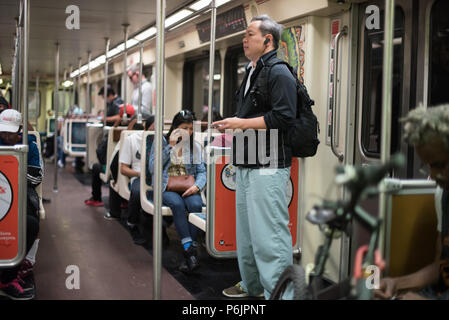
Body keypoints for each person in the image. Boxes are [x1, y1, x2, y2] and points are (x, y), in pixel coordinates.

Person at [213, 15, 297, 299]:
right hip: (248, 159)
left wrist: (239, 123)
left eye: (250, 34)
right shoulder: (251, 72)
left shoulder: (279, 72)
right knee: (248, 235)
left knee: (270, 236)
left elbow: (284, 117)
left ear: (268, 40)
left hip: (269, 162)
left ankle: (281, 294)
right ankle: (253, 285)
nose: (244, 39)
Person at [375, 105, 449, 300]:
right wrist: (396, 283)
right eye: (429, 166)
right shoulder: (443, 194)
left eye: (439, 165)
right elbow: (440, 266)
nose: (433, 176)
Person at [148, 110, 206, 273]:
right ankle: (190, 251)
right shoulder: (161, 142)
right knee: (177, 204)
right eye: (184, 128)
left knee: (196, 204)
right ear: (175, 127)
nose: (188, 132)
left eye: (190, 128)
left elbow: (202, 171)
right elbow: (153, 168)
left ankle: (189, 252)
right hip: (166, 186)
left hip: (188, 185)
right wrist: (171, 147)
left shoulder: (194, 146)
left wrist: (197, 187)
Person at [0, 109, 43, 300]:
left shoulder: (30, 146)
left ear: (19, 129)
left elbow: (36, 177)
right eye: (3, 131)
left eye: (11, 132)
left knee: (30, 222)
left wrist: (12, 169)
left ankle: (8, 277)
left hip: (22, 192)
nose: (6, 136)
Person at [105, 116, 155, 247]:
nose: (156, 133)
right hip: (138, 175)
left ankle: (160, 225)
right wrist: (141, 173)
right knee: (138, 191)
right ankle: (132, 223)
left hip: (159, 177)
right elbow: (123, 169)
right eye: (153, 129)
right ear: (145, 128)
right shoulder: (131, 140)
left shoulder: (164, 141)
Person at [84, 86, 124, 207]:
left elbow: (118, 117)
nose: (104, 99)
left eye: (104, 96)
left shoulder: (118, 104)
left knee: (97, 166)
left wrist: (105, 119)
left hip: (112, 157)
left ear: (110, 94)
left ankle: (97, 198)